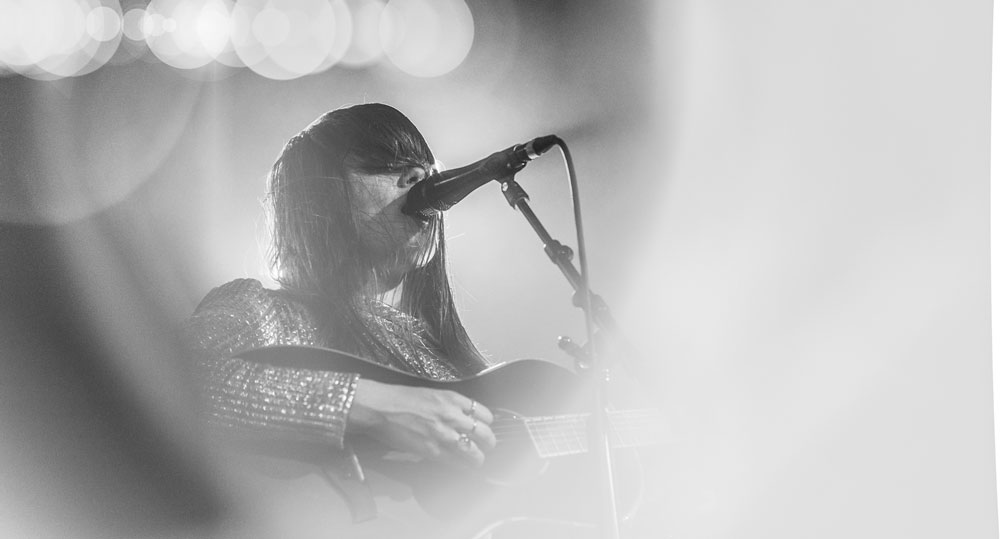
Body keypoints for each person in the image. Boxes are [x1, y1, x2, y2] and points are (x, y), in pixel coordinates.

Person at [182, 104, 498, 527]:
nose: (420, 175)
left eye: (422, 165)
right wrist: (376, 405)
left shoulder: (450, 365)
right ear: (318, 197)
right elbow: (180, 385)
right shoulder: (262, 312)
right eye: (385, 165)